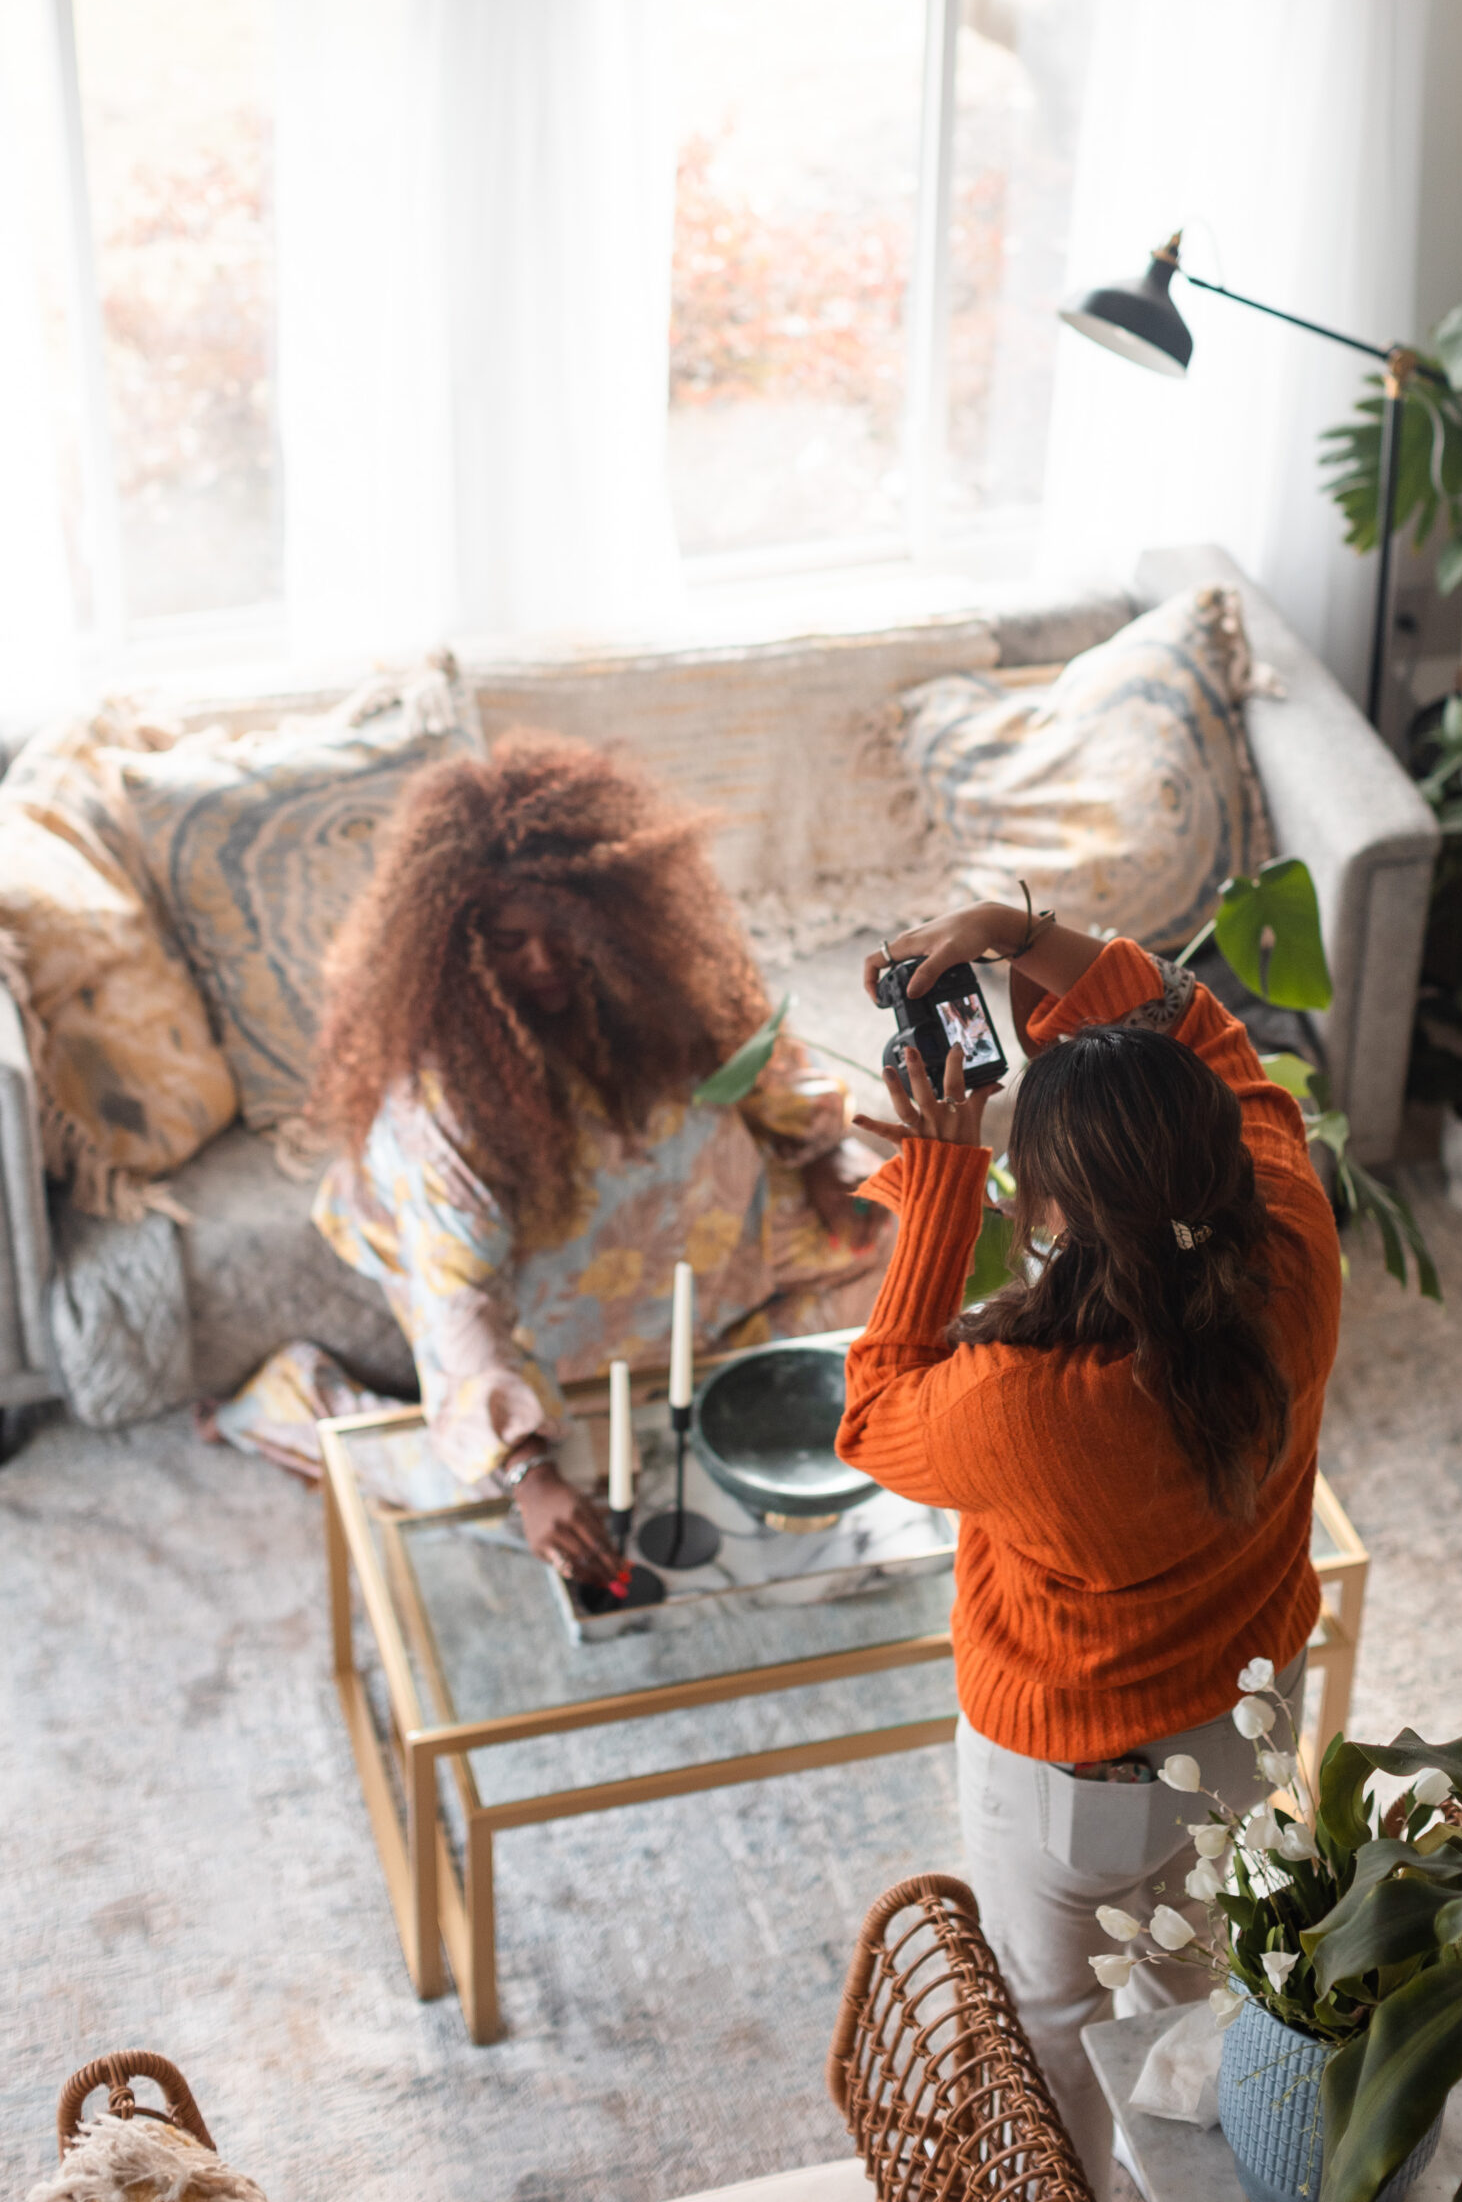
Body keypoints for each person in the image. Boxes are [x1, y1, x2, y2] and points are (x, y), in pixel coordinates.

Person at [836, 897, 1340, 2198]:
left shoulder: (1023, 1408)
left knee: (1056, 2038)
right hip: (1248, 1721)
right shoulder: (1294, 1243)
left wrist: (941, 1180)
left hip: (1077, 1788)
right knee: (1191, 2006)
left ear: (1045, 1204)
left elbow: (874, 1410)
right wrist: (1022, 933)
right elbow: (1197, 1026)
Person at [309, 733, 888, 1581]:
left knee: (914, 1258)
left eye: (563, 934)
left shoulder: (657, 981)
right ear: (451, 943)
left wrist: (828, 1153)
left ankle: (719, 1397)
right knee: (522, 1511)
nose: (541, 963)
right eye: (507, 941)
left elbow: (758, 1060)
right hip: (553, 1309)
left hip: (716, 1256)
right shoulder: (442, 1101)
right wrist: (524, 1469)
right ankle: (300, 1404)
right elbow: (463, 1305)